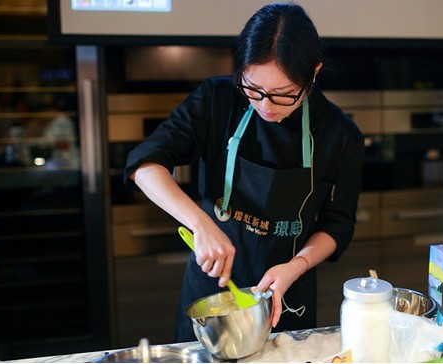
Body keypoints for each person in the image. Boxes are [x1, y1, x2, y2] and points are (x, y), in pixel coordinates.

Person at [124, 1, 364, 342]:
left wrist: (295, 267)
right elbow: (145, 166)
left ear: (313, 72)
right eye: (253, 88)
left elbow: (337, 225)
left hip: (285, 296)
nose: (265, 105)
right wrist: (201, 224)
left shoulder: (339, 134)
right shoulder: (216, 99)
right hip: (212, 294)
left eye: (283, 95)